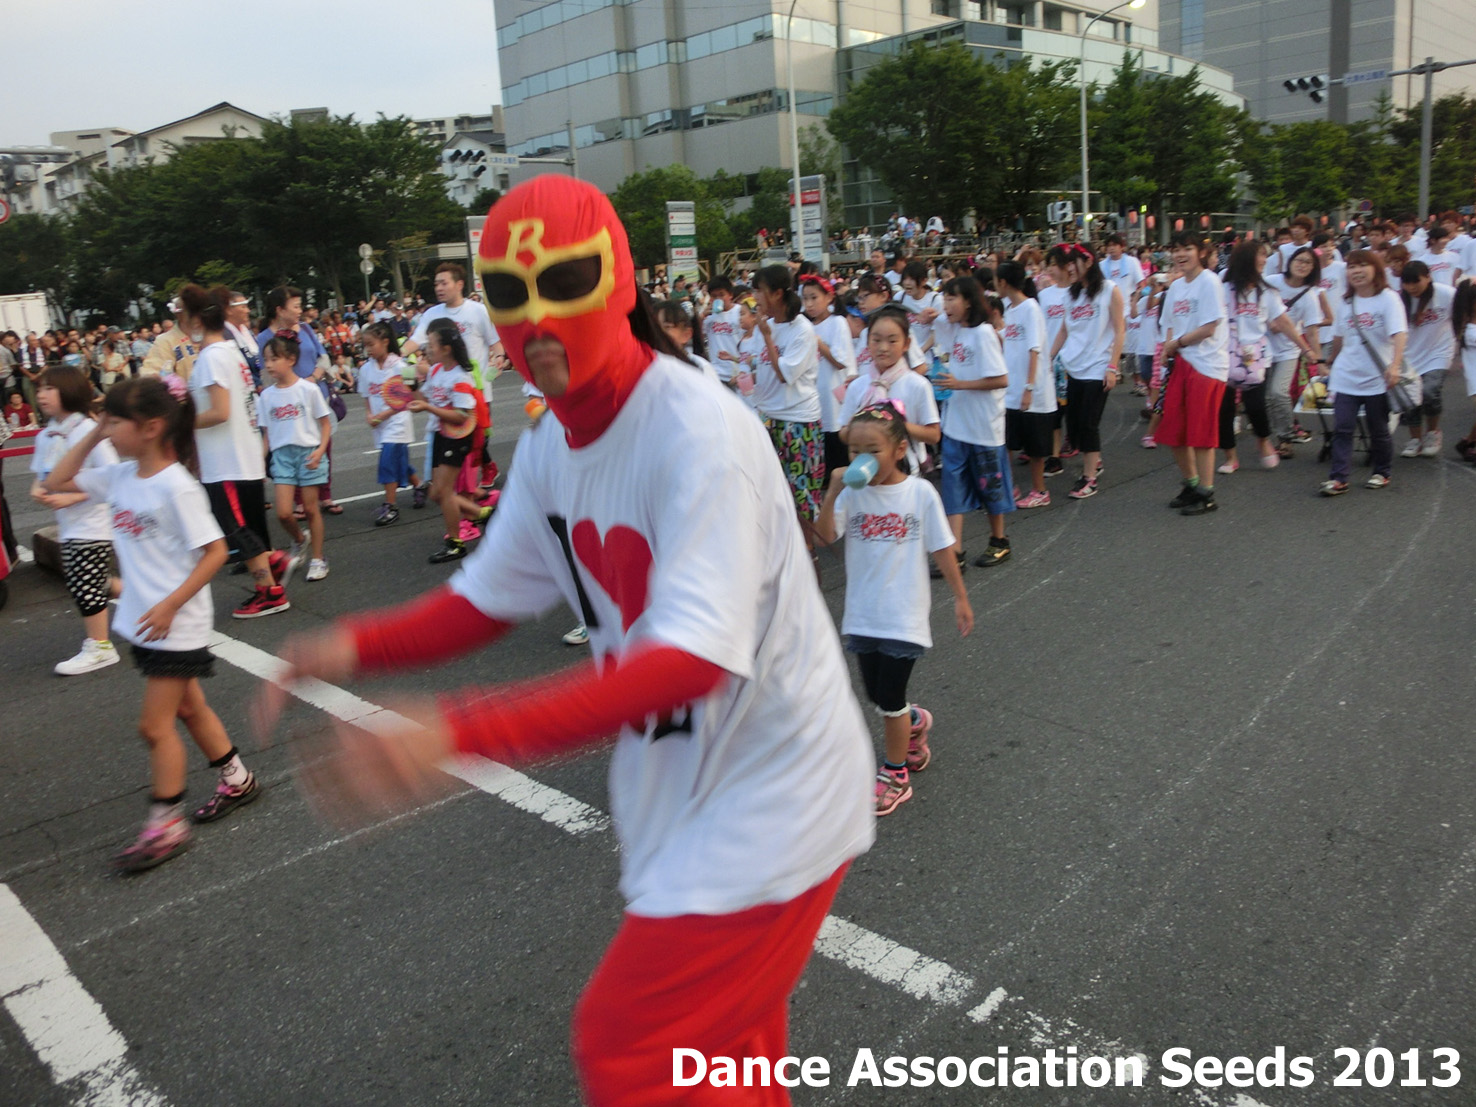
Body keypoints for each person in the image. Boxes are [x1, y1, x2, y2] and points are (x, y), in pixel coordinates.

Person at [263, 175, 873, 1105]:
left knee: (631, 1047)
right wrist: (346, 645)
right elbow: (482, 600)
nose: (538, 319)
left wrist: (460, 732)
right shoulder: (552, 445)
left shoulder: (696, 429)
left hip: (774, 788)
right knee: (728, 1063)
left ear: (620, 281)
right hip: (682, 786)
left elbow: (694, 656)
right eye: (509, 294)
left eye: (567, 280)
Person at [43, 376, 261, 873]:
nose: (109, 427)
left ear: (152, 427)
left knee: (153, 725)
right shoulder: (120, 477)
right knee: (189, 708)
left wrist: (168, 606)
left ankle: (167, 824)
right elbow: (57, 482)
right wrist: (96, 431)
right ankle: (237, 779)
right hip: (147, 623)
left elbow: (214, 553)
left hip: (175, 624)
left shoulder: (176, 487)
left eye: (117, 420)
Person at [815, 403, 971, 817]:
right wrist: (833, 492)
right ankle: (915, 722)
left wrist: (960, 596)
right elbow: (826, 536)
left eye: (873, 450)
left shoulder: (919, 493)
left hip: (903, 615)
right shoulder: (852, 492)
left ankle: (895, 773)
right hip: (862, 614)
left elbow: (941, 546)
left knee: (888, 697)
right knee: (878, 695)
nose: (861, 459)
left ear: (900, 449)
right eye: (854, 451)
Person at [184, 283, 291, 618]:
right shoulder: (230, 351)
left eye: (183, 317)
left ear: (197, 321)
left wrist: (181, 421)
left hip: (226, 461)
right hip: (239, 456)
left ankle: (270, 591)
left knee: (237, 530)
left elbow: (219, 411)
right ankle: (273, 566)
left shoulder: (213, 357)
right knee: (246, 528)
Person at [29, 366, 121, 675]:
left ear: (69, 391)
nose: (41, 394)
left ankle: (101, 646)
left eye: (49, 388)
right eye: (40, 389)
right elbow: (42, 477)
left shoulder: (86, 431)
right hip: (69, 524)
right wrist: (39, 490)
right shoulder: (46, 435)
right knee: (92, 581)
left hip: (94, 522)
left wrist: (69, 497)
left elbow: (111, 478)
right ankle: (152, 597)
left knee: (86, 586)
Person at [1217, 241, 1321, 474]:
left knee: (1256, 406)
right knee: (1224, 409)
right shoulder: (1222, 286)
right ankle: (1230, 456)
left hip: (1254, 358)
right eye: (1260, 256)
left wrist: (1305, 349)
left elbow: (1284, 322)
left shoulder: (1266, 292)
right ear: (1247, 260)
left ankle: (1263, 440)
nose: (1265, 260)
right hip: (1222, 356)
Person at [932, 276, 1013, 566]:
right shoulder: (955, 330)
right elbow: (936, 321)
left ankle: (999, 540)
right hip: (955, 425)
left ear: (969, 301)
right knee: (953, 488)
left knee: (990, 486)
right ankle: (955, 551)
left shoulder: (983, 333)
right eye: (944, 298)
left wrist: (960, 384)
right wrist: (935, 312)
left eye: (952, 298)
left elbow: (1001, 379)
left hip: (983, 427)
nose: (946, 305)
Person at [1319, 250, 1408, 495]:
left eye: (1362, 266)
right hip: (1346, 376)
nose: (1356, 271)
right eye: (1351, 267)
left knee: (1378, 429)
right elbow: (1339, 337)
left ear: (1376, 269)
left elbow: (1399, 334)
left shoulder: (1388, 299)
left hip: (1377, 378)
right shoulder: (1347, 302)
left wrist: (1395, 366)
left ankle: (1382, 471)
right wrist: (1329, 361)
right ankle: (1339, 478)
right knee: (1343, 427)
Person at [750, 265, 826, 554]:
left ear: (778, 294)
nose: (755, 296)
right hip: (767, 418)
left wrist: (768, 337)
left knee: (801, 495)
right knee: (768, 492)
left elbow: (784, 373)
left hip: (798, 422)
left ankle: (808, 557)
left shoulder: (801, 330)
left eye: (760, 290)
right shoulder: (764, 325)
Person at [409, 318, 495, 564]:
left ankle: (455, 543)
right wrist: (411, 386)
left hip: (457, 438)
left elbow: (461, 415)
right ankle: (484, 513)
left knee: (444, 493)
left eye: (432, 344)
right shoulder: (436, 371)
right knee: (436, 493)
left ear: (446, 348)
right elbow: (423, 397)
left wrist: (427, 407)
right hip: (439, 435)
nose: (427, 348)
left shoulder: (460, 378)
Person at [1158, 231, 1231, 516]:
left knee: (1201, 434)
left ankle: (1206, 493)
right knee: (1174, 430)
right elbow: (1170, 325)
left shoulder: (1210, 282)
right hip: (1182, 363)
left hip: (1207, 365)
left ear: (1201, 252)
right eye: (1176, 249)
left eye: (1187, 248)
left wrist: (1176, 344)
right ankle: (1191, 484)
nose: (1180, 255)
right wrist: (1168, 348)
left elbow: (1209, 327)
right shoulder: (1176, 287)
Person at [1046, 244, 1125, 500]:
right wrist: (1048, 358)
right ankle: (1095, 460)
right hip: (1074, 367)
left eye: (1073, 262)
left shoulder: (1109, 290)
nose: (1068, 268)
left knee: (1089, 425)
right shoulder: (1071, 294)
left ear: (1088, 261)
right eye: (1066, 264)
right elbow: (1064, 330)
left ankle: (1089, 478)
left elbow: (1120, 330)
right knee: (1076, 425)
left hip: (1098, 367)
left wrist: (1113, 366)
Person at [256, 286, 342, 516]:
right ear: (279, 310)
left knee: (323, 445)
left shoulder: (305, 329)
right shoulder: (264, 338)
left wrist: (311, 379)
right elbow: (264, 374)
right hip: (286, 402)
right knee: (288, 447)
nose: (300, 311)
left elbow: (323, 358)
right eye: (295, 306)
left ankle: (325, 495)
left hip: (315, 394)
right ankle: (300, 502)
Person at [259, 336, 333, 582]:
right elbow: (267, 434)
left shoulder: (308, 389)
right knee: (283, 513)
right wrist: (261, 463)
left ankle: (319, 558)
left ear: (291, 360)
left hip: (308, 453)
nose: (269, 365)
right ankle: (300, 540)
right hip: (282, 456)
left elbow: (325, 424)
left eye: (274, 358)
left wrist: (320, 451)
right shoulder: (266, 396)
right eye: (266, 359)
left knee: (311, 509)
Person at [356, 322, 425, 524]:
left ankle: (391, 506)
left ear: (385, 342)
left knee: (387, 462)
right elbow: (366, 394)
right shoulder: (366, 369)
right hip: (380, 423)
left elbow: (409, 395)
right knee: (398, 461)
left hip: (397, 421)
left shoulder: (401, 366)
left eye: (371, 344)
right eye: (365, 345)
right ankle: (419, 485)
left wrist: (383, 415)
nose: (368, 349)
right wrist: (370, 414)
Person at [996, 261, 1052, 506]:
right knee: (1008, 441)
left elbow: (1034, 349)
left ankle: (1040, 491)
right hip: (1011, 388)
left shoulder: (1030, 308)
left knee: (1036, 448)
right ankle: (1011, 486)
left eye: (996, 281)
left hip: (1033, 390)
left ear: (1004, 283)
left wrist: (1029, 388)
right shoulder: (1008, 308)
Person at [1263, 246, 1329, 455]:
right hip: (1260, 350)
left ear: (1314, 269)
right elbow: (1252, 306)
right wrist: (1268, 321)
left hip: (1288, 351)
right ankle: (1272, 435)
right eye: (1299, 260)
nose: (1302, 265)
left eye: (1308, 263)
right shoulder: (1272, 282)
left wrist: (1318, 362)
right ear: (1289, 262)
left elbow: (1312, 332)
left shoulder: (1310, 296)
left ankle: (1285, 438)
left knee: (1278, 392)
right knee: (1266, 397)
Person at [800, 275, 859, 480]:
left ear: (829, 297)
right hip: (811, 398)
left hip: (832, 397)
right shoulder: (804, 325)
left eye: (814, 298)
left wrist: (817, 342)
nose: (809, 304)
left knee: (836, 454)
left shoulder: (838, 323)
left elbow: (840, 361)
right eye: (805, 298)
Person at [1396, 261, 1457, 458]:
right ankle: (1415, 439)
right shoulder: (1399, 300)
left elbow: (1466, 307)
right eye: (1407, 283)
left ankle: (1432, 432)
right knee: (1412, 398)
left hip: (1438, 352)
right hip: (1410, 355)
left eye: (1416, 282)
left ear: (1428, 277)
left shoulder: (1446, 294)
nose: (1412, 287)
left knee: (1430, 391)